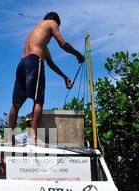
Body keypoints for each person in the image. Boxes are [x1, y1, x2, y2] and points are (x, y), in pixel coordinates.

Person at [8, 12, 85, 144]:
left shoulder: (37, 39)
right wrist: (77, 54)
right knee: (39, 100)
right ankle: (34, 138)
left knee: (16, 103)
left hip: (22, 64)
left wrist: (64, 77)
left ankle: (9, 139)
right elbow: (63, 44)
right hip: (33, 62)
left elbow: (51, 63)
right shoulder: (51, 22)